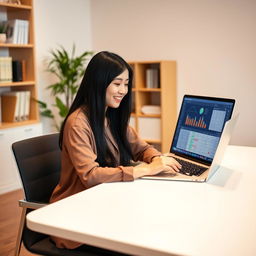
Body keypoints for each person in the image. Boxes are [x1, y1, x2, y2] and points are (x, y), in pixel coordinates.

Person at [50, 51, 181, 251]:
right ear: (98, 83)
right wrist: (147, 169)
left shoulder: (110, 117)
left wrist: (158, 159)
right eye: (117, 83)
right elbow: (91, 176)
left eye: (126, 84)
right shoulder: (78, 124)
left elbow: (141, 148)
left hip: (105, 203)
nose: (123, 90)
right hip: (76, 216)